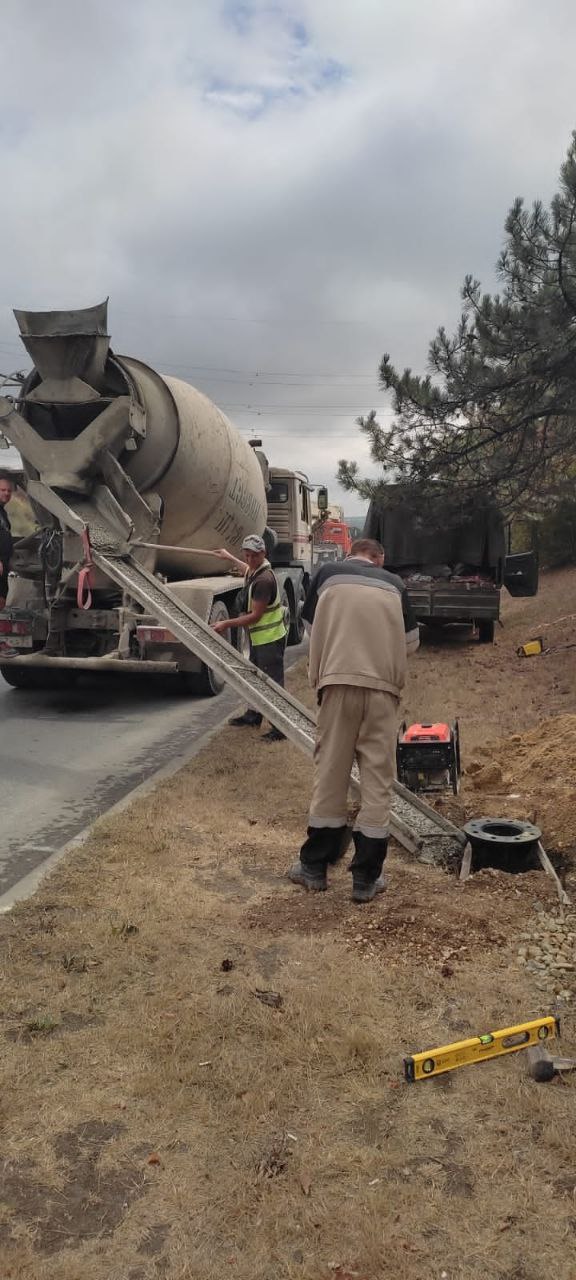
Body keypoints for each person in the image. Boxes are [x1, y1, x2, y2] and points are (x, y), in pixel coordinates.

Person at [288, 537, 419, 903]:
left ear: (353, 553)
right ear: (379, 557)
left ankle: (314, 868)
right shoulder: (395, 585)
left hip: (337, 686)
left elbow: (312, 631)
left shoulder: (327, 575)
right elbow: (411, 644)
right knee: (378, 782)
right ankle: (365, 880)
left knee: (331, 773)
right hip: (382, 692)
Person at [213, 534, 287, 743]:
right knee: (254, 678)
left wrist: (225, 624)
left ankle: (280, 728)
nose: (249, 560)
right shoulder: (256, 570)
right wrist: (229, 558)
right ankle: (254, 715)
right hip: (258, 638)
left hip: (270, 639)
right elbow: (246, 570)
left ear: (263, 553)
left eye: (254, 556)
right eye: (246, 555)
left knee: (272, 684)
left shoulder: (264, 580)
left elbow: (255, 616)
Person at [0, 471, 15, 610]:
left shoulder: (2, 512)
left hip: (4, 562)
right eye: (3, 490)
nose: (6, 493)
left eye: (9, 491)